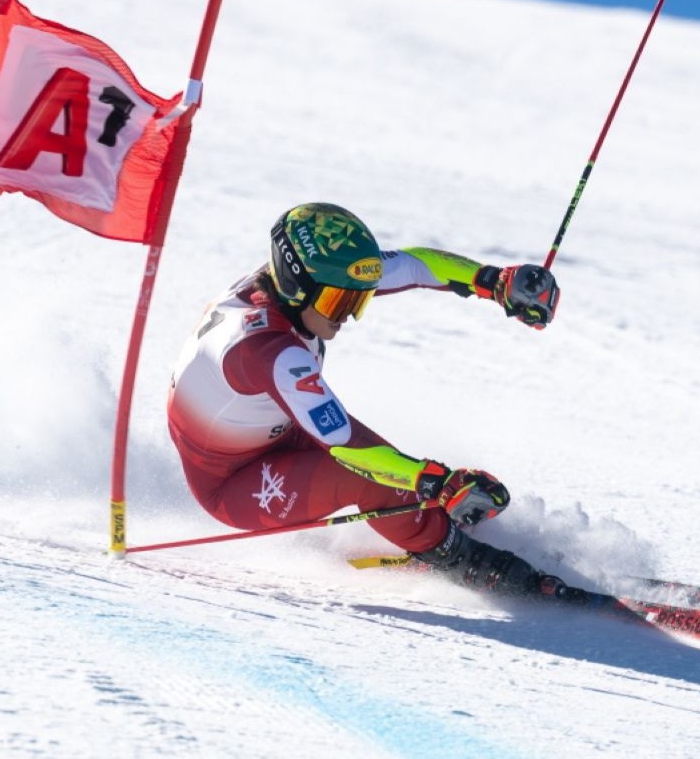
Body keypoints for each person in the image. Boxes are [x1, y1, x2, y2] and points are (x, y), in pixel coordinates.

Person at [167, 202, 568, 597]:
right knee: (369, 476)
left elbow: (412, 265)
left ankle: (419, 519)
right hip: (233, 482)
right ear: (296, 287)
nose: (345, 317)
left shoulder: (304, 287)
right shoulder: (268, 350)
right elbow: (343, 443)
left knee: (389, 465)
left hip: (272, 430)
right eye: (337, 304)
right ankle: (465, 561)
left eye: (356, 301)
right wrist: (435, 481)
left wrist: (494, 281)